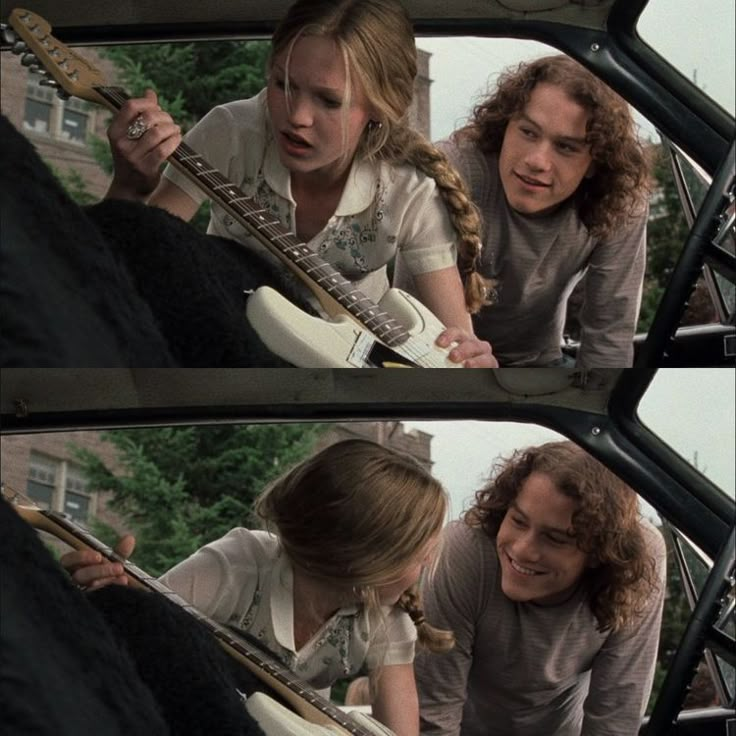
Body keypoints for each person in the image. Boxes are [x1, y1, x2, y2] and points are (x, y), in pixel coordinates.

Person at [102, 0, 495, 367]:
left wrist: (471, 359)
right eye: (283, 85)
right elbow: (132, 268)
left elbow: (454, 344)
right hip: (230, 332)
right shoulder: (232, 132)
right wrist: (129, 187)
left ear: (379, 107)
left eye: (328, 100)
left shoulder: (410, 192)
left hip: (350, 365)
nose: (297, 117)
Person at [62, 439, 456, 736]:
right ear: (365, 561)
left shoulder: (386, 617)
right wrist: (111, 597)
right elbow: (144, 641)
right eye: (419, 557)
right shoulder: (236, 565)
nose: (424, 569)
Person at [396, 54, 653, 368]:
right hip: (432, 359)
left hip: (539, 366)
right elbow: (415, 320)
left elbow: (608, 343)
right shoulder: (452, 171)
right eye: (528, 133)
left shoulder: (619, 202)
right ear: (506, 126)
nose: (537, 161)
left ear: (595, 162)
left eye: (566, 147)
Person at [414, 440, 666, 736]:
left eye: (555, 539)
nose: (523, 549)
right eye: (518, 520)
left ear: (600, 552)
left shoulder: (637, 563)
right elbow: (434, 716)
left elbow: (616, 716)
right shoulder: (463, 552)